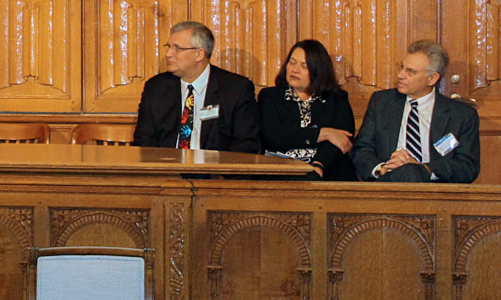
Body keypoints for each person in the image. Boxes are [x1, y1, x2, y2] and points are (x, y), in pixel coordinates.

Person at [352, 40, 480, 183]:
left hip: (436, 192)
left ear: (432, 78)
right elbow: (361, 150)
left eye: (410, 72)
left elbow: (467, 166)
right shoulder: (382, 103)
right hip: (387, 185)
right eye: (401, 67)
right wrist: (383, 168)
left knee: (411, 172)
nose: (400, 75)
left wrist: (423, 169)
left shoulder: (461, 115)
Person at [133, 21, 260, 153]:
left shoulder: (236, 89)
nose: (169, 54)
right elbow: (144, 141)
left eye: (177, 48)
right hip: (167, 170)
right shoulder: (156, 88)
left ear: (199, 54)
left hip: (215, 170)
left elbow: (246, 144)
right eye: (169, 47)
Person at [258, 40, 356, 180]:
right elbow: (273, 135)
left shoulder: (336, 99)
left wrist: (319, 164)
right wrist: (321, 133)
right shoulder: (270, 96)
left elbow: (343, 140)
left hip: (326, 168)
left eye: (304, 66)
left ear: (318, 71)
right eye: (292, 62)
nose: (295, 69)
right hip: (281, 170)